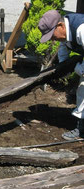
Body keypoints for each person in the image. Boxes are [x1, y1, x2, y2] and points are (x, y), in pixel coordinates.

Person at [38, 10, 84, 140]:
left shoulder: (81, 29)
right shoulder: (65, 34)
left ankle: (81, 130)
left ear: (60, 26)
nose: (52, 39)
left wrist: (78, 69)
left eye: (52, 35)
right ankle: (82, 127)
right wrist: (63, 70)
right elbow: (63, 56)